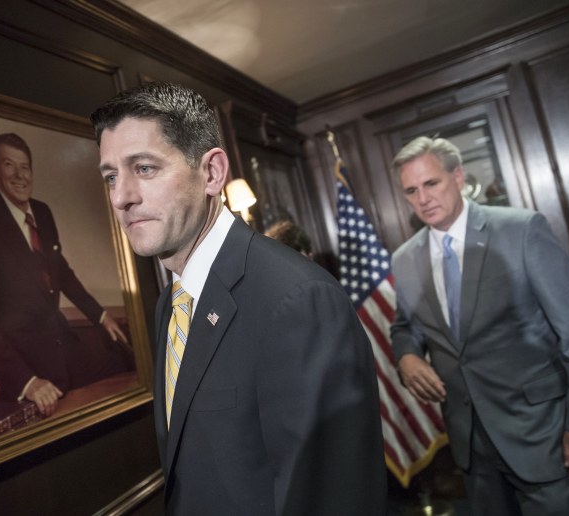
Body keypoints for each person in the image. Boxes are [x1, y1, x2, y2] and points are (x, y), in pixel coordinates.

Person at [90, 82, 386, 515]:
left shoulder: (299, 299)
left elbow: (333, 499)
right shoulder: (170, 302)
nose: (121, 197)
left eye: (145, 169)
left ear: (211, 173)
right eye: (111, 176)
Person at [390, 136, 569, 515]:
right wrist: (407, 356)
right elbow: (406, 327)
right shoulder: (405, 258)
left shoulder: (521, 230)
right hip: (471, 448)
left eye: (432, 183)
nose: (423, 198)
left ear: (459, 177)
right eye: (411, 191)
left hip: (543, 437)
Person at [0, 133, 132, 416]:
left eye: (25, 167)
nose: (19, 175)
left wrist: (100, 315)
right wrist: (28, 383)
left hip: (66, 348)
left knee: (130, 364)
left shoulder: (42, 212)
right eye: (9, 165)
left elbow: (59, 271)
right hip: (31, 370)